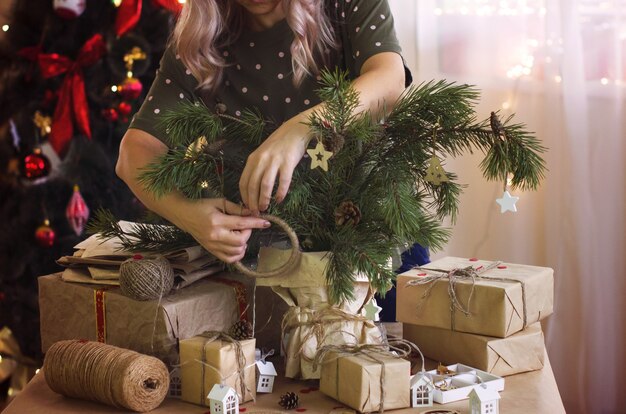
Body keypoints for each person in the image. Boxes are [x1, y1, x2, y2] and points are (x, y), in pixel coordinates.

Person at [116, 0, 407, 264]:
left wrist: (301, 128)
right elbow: (135, 151)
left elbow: (389, 79)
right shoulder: (199, 39)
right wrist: (187, 214)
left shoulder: (344, 5)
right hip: (259, 264)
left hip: (368, 252)